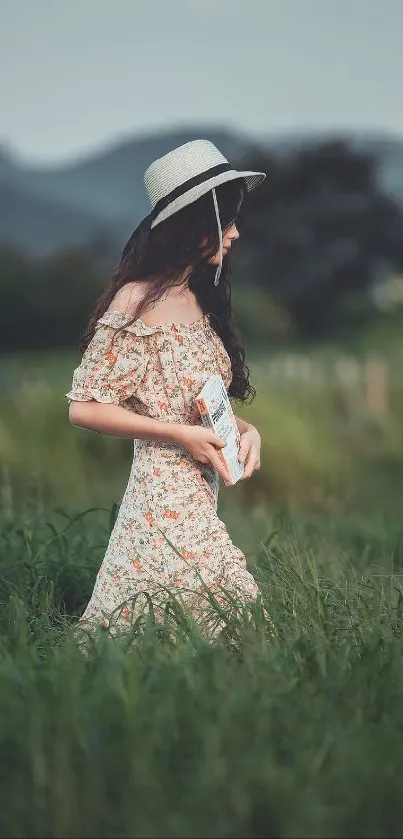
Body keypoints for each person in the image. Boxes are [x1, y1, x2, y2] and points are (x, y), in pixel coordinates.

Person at [65, 138, 266, 636]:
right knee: (233, 618)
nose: (237, 233)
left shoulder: (201, 296)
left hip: (200, 490)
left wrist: (246, 429)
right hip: (160, 493)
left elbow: (199, 401)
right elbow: (85, 408)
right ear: (196, 223)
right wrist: (179, 436)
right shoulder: (136, 301)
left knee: (167, 626)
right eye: (228, 220)